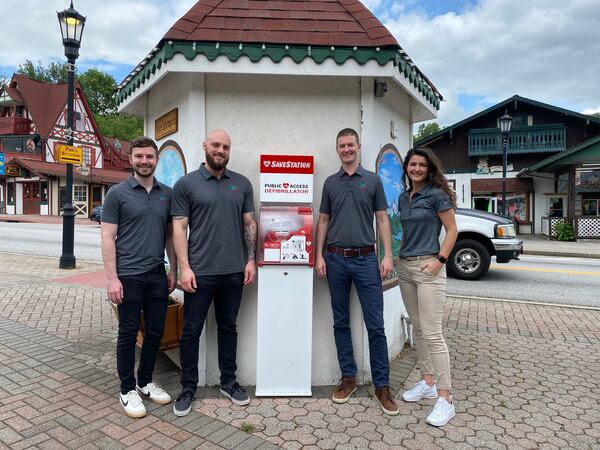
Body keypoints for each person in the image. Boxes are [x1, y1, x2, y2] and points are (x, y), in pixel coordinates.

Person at [171, 130, 257, 417]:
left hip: (234, 272)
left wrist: (250, 260)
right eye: (216, 145)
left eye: (226, 147)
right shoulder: (187, 184)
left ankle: (228, 382)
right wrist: (184, 268)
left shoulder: (242, 184)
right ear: (205, 146)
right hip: (199, 273)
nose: (220, 150)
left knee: (228, 327)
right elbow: (179, 228)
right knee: (191, 331)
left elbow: (249, 224)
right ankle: (188, 387)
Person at [315, 128, 399, 416]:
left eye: (350, 145)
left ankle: (382, 386)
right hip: (335, 260)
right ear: (337, 149)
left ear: (358, 147)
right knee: (341, 321)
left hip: (366, 261)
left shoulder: (372, 180)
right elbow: (323, 221)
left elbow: (383, 220)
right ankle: (348, 378)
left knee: (375, 325)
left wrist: (387, 254)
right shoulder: (330, 183)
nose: (347, 149)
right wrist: (318, 256)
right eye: (342, 146)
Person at [101, 136, 177, 418]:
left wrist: (174, 270)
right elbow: (108, 238)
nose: (144, 161)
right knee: (128, 332)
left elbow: (170, 235)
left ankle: (145, 381)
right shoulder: (117, 194)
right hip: (128, 276)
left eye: (149, 157)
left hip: (157, 274)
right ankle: (127, 389)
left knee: (156, 331)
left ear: (156, 160)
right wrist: (112, 278)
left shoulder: (167, 194)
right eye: (139, 157)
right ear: (130, 159)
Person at [397, 146, 458, 427]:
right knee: (418, 327)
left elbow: (452, 230)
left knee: (433, 332)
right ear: (407, 168)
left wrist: (440, 260)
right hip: (406, 267)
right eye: (413, 165)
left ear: (429, 168)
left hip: (428, 267)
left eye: (422, 165)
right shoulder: (403, 197)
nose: (417, 169)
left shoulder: (437, 195)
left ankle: (445, 399)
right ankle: (428, 382)